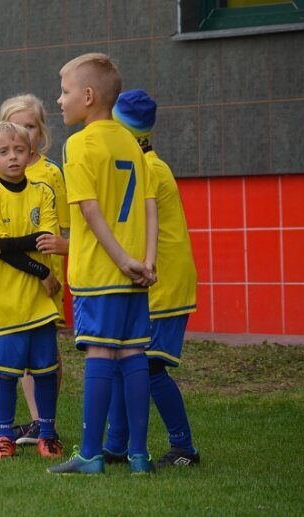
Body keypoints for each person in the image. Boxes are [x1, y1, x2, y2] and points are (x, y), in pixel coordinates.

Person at [48, 53, 159, 476]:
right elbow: (150, 207)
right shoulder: (131, 141)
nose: (60, 100)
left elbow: (90, 211)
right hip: (136, 271)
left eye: (65, 91)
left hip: (100, 270)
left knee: (98, 353)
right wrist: (144, 260)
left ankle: (91, 454)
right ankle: (139, 456)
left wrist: (123, 260)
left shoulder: (79, 144)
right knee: (132, 355)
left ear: (88, 96)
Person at [103, 89, 200, 467]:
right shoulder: (141, 164)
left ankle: (184, 447)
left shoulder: (148, 170)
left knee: (148, 365)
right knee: (119, 360)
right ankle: (116, 444)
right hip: (147, 280)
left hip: (162, 283)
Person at [0, 94, 69, 445]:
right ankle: (33, 423)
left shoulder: (50, 175)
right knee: (15, 353)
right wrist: (7, 245)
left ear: (39, 133)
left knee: (46, 354)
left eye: (29, 128)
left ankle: (42, 422)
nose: (22, 138)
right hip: (9, 283)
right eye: (16, 127)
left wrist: (6, 245)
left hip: (46, 275)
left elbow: (57, 231)